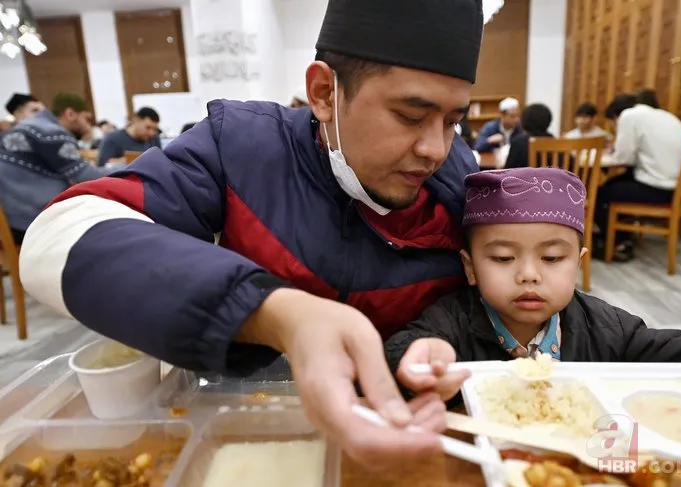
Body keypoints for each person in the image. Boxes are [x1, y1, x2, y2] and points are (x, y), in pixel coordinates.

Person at [18, 0, 484, 470]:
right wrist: (276, 312)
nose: (434, 150)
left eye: (453, 121)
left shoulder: (461, 189)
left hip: (405, 441)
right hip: (248, 429)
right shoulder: (244, 148)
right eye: (410, 116)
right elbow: (58, 234)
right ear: (324, 93)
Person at [385, 167, 681, 404]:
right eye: (504, 258)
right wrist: (420, 359)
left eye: (551, 258)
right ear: (470, 267)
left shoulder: (606, 330)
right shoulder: (452, 321)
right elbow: (406, 347)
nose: (529, 275)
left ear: (577, 265)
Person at [0, 93, 120, 245]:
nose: (89, 126)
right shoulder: (51, 133)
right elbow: (87, 176)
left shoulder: (29, 126)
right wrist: (127, 167)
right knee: (103, 228)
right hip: (29, 224)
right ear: (70, 114)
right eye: (86, 119)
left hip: (11, 218)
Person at [595, 93, 681, 262]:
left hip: (657, 188)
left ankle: (618, 243)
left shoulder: (629, 116)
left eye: (614, 124)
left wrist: (605, 155)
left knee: (598, 194)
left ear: (617, 116)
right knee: (616, 184)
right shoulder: (666, 116)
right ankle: (619, 236)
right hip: (677, 189)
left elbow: (623, 158)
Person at [97, 107, 162, 166]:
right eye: (148, 127)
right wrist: (129, 160)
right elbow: (102, 166)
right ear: (136, 120)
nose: (151, 133)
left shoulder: (154, 138)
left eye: (154, 129)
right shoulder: (112, 139)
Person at [504, 103, 554, 169]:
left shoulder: (518, 142)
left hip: (524, 179)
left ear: (524, 120)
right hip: (552, 179)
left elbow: (508, 171)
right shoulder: (555, 141)